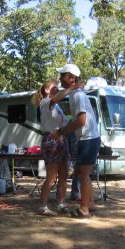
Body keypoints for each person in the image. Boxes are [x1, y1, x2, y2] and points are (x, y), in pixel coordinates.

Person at [55, 63, 101, 218]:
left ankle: (84, 209)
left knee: (82, 174)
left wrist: (61, 131)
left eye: (63, 75)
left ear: (71, 78)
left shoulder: (79, 96)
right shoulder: (74, 94)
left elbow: (81, 121)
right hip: (86, 138)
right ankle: (90, 204)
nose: (60, 78)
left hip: (88, 139)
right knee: (83, 173)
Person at [32, 79, 82, 216]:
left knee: (64, 175)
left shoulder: (57, 107)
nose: (58, 89)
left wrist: (81, 118)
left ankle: (61, 204)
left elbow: (66, 124)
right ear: (47, 90)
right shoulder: (45, 103)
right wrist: (71, 88)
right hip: (51, 140)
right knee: (51, 176)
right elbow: (57, 98)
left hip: (62, 139)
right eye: (55, 87)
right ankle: (42, 206)